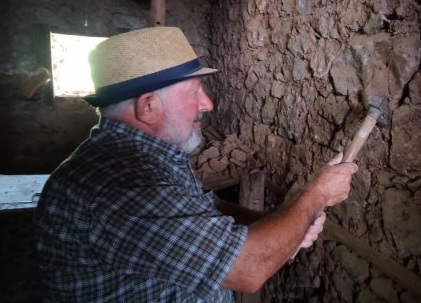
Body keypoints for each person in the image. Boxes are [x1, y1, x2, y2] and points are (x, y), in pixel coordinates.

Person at [34, 26, 357, 302]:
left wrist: (274, 225)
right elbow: (248, 271)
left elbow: (196, 212)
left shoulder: (148, 155)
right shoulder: (124, 183)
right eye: (196, 91)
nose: (208, 104)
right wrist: (316, 196)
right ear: (148, 106)